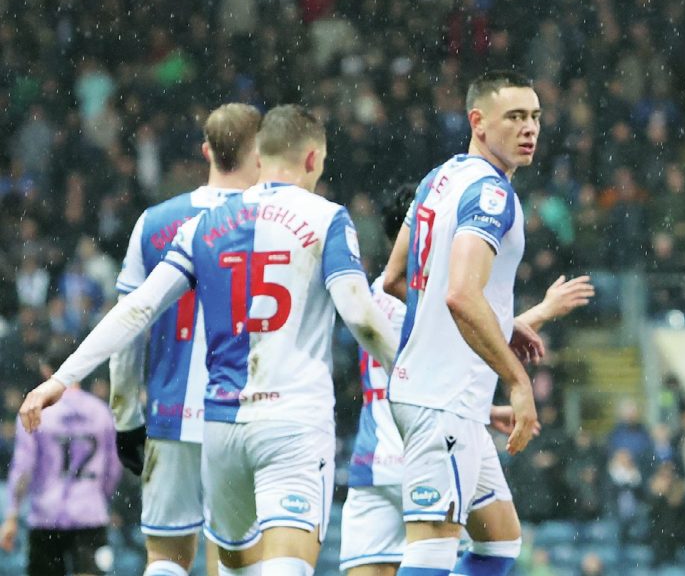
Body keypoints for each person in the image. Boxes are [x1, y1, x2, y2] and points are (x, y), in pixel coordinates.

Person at [18, 104, 400, 576]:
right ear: (311, 158)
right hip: (292, 422)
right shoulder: (327, 219)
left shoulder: (198, 227)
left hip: (221, 427)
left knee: (226, 566)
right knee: (285, 564)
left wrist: (62, 377)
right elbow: (362, 318)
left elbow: (136, 309)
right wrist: (410, 373)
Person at [340, 184, 593, 576]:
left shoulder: (377, 296)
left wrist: (486, 408)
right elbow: (471, 332)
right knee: (491, 545)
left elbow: (420, 359)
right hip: (427, 443)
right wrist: (543, 311)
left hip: (373, 462)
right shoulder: (423, 297)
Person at [378, 70, 541, 576]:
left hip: (440, 398)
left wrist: (494, 320)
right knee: (430, 551)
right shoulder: (492, 195)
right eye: (514, 117)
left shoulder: (438, 178)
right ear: (478, 121)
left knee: (499, 542)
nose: (529, 128)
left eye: (535, 116)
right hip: (441, 400)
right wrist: (518, 381)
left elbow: (395, 277)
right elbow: (460, 294)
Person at [110, 102, 261, 576]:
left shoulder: (154, 222)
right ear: (261, 152)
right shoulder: (269, 223)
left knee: (167, 557)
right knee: (238, 555)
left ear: (207, 151)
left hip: (171, 413)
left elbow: (127, 328)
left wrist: (127, 417)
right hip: (243, 414)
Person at [1, 346, 121, 576]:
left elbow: (23, 468)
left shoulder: (35, 411)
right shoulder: (100, 411)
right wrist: (100, 496)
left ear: (46, 371)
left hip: (47, 515)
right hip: (89, 514)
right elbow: (113, 467)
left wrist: (12, 514)